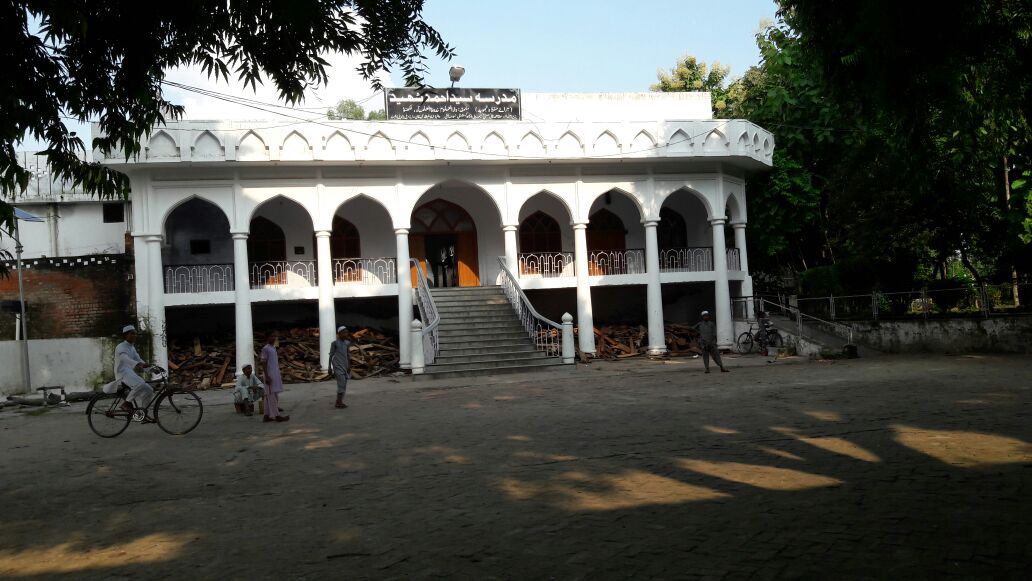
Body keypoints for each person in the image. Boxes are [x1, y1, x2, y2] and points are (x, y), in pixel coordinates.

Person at [112, 324, 160, 421]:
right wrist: (138, 364)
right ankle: (126, 404)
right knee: (140, 384)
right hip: (122, 373)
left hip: (129, 373)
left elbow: (139, 359)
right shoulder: (120, 347)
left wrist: (152, 369)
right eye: (132, 333)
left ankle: (143, 414)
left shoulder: (132, 348)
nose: (135, 336)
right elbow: (125, 358)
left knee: (149, 390)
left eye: (135, 334)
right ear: (126, 335)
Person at [259, 332, 289, 423]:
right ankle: (276, 415)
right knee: (271, 394)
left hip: (275, 373)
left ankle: (266, 415)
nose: (273, 338)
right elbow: (263, 362)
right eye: (271, 336)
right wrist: (267, 376)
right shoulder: (265, 349)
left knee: (271, 394)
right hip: (269, 374)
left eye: (274, 336)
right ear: (267, 337)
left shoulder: (273, 348)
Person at [328, 325, 352, 409]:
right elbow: (331, 355)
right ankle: (338, 402)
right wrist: (329, 368)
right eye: (344, 333)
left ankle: (339, 401)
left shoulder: (347, 343)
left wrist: (349, 366)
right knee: (341, 383)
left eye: (346, 332)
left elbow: (348, 355)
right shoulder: (334, 343)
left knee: (344, 384)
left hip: (345, 365)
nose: (346, 334)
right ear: (339, 334)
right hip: (337, 365)